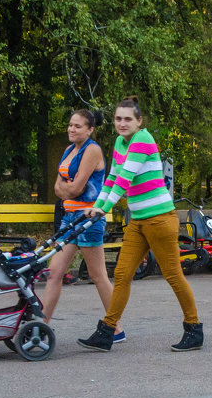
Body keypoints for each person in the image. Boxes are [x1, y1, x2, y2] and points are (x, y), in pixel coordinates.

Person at [77, 96, 202, 352]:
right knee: (122, 275)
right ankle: (107, 331)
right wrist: (97, 206)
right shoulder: (120, 143)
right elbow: (111, 178)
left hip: (159, 220)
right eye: (118, 119)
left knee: (173, 275)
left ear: (139, 121)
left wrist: (103, 209)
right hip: (139, 221)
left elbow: (125, 179)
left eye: (127, 119)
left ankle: (194, 328)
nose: (122, 124)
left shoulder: (143, 140)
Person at [39, 110, 124, 343]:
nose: (71, 129)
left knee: (98, 276)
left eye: (77, 126)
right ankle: (40, 326)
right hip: (69, 216)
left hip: (88, 217)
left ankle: (115, 328)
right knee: (54, 272)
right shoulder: (69, 150)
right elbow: (57, 187)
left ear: (90, 129)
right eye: (70, 125)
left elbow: (75, 189)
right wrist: (67, 187)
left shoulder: (92, 150)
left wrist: (67, 187)